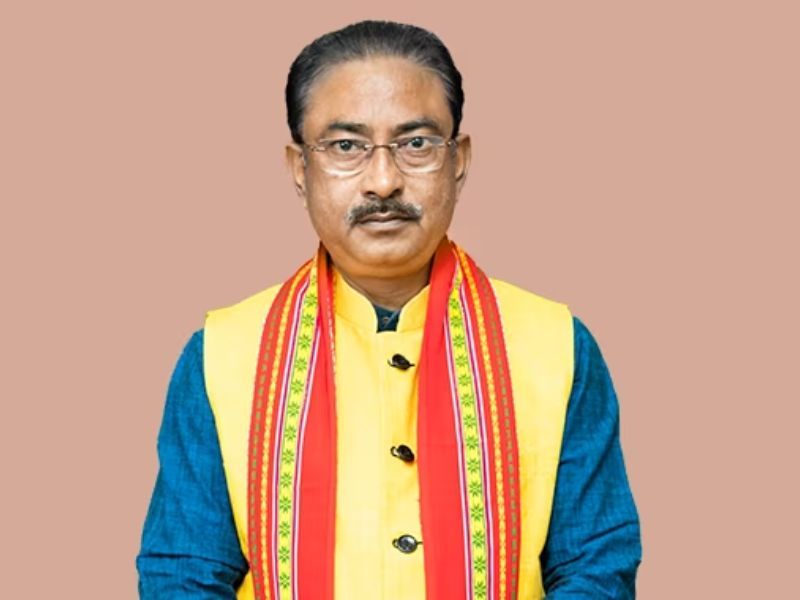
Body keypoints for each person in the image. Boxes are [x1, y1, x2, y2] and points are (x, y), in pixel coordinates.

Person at [136, 20, 641, 599]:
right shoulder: (223, 355)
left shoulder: (556, 347)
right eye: (346, 146)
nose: (382, 181)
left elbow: (596, 568)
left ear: (459, 160)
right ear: (300, 169)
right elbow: (183, 575)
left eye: (415, 144)